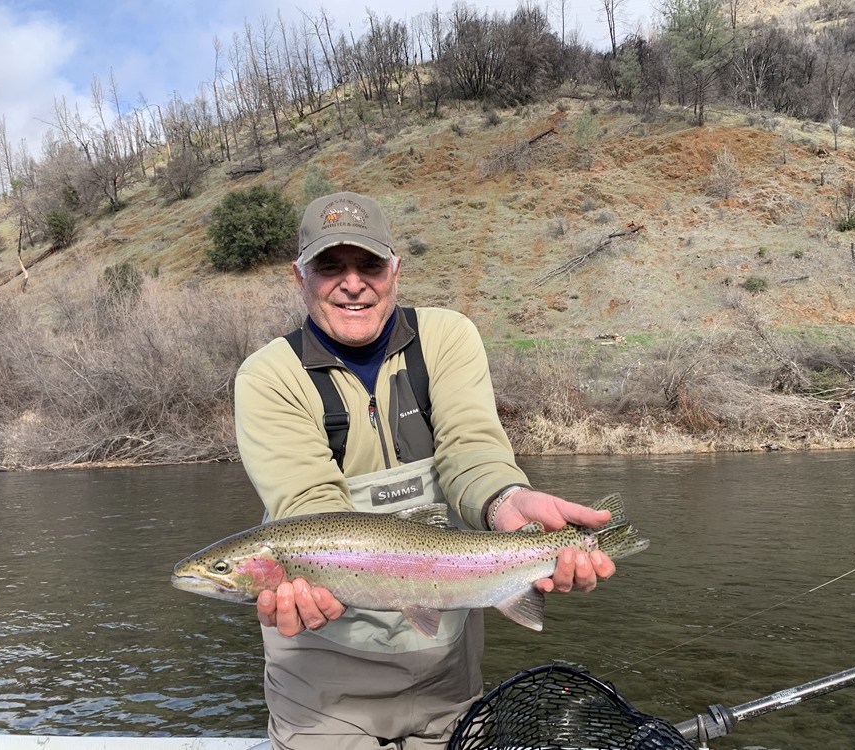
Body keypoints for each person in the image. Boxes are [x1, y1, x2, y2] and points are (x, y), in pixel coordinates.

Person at [234, 191, 616, 750]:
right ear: (300, 278)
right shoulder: (266, 377)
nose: (353, 283)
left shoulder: (447, 338)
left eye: (368, 264)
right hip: (322, 691)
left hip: (449, 673)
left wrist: (506, 499)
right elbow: (309, 508)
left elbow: (471, 451)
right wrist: (312, 573)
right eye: (329, 267)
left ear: (395, 269)